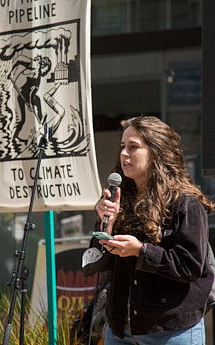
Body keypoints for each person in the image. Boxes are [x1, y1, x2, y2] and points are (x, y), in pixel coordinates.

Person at [83, 116, 214, 345]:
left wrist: (140, 251)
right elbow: (95, 264)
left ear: (156, 152)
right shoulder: (118, 199)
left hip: (169, 329)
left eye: (134, 147)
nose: (124, 153)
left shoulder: (185, 202)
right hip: (120, 327)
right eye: (123, 146)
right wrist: (105, 226)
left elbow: (190, 265)